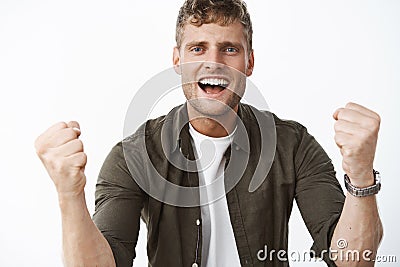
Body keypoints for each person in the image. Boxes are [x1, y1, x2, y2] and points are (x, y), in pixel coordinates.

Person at [34, 0, 383, 266]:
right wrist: (69, 195)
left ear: (249, 62)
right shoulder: (134, 156)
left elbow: (353, 258)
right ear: (177, 60)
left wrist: (361, 173)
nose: (213, 61)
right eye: (197, 48)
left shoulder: (293, 145)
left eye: (229, 49)